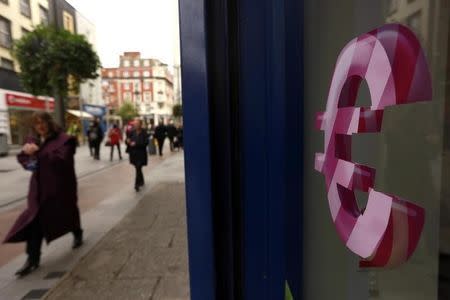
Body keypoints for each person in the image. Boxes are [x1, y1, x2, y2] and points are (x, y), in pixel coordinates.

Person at [3, 112, 83, 278]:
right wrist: (29, 157)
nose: (40, 126)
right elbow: (24, 157)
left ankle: (77, 232)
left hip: (60, 188)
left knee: (67, 213)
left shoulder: (65, 140)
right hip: (38, 189)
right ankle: (32, 259)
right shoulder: (33, 140)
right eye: (36, 124)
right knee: (34, 221)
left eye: (42, 122)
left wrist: (39, 153)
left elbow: (62, 160)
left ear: (49, 122)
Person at [126, 118, 149, 192]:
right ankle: (141, 180)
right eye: (134, 124)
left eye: (137, 124)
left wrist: (136, 144)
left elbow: (146, 143)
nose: (135, 125)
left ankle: (136, 184)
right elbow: (127, 140)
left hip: (141, 153)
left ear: (140, 124)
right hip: (133, 154)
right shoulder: (131, 132)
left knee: (138, 167)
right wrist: (128, 141)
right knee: (137, 168)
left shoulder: (144, 132)